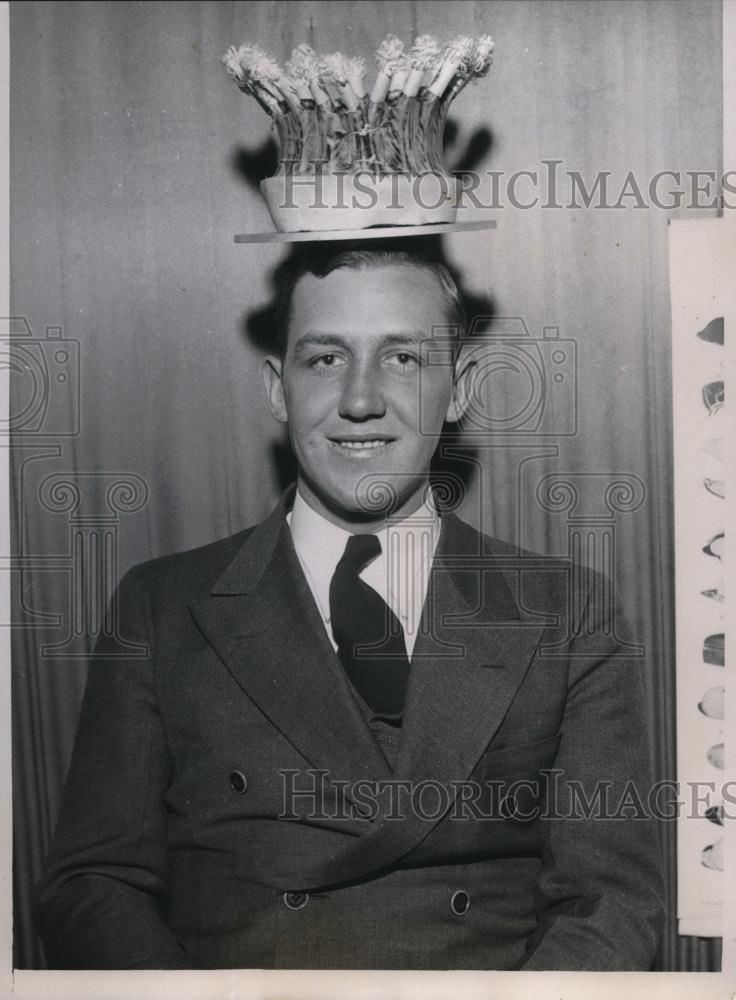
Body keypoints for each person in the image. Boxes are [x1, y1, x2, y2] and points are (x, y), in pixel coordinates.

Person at [33, 244, 665, 971]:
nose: (360, 399)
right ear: (278, 388)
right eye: (326, 359)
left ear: (458, 389)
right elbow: (93, 885)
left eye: (403, 359)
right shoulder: (161, 608)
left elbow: (610, 902)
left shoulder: (567, 613)